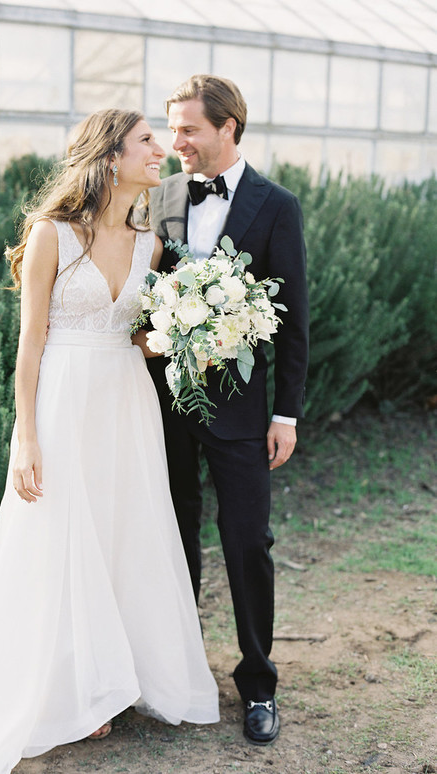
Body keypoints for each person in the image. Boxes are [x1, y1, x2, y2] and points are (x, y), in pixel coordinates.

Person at [0, 108, 219, 774]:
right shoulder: (51, 234)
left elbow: (136, 335)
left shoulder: (150, 239)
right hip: (64, 401)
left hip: (126, 400)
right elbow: (29, 343)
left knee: (123, 530)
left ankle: (121, 677)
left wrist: (183, 336)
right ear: (109, 156)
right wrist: (24, 438)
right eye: (147, 141)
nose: (161, 151)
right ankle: (69, 685)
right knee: (63, 538)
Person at [147, 75, 309, 746]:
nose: (175, 142)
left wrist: (287, 415)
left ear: (229, 129)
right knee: (170, 540)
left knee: (248, 544)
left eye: (189, 129)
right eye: (172, 127)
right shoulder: (164, 197)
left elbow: (294, 316)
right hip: (164, 404)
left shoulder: (277, 205)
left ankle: (259, 685)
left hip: (244, 414)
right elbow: (145, 289)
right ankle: (176, 678)